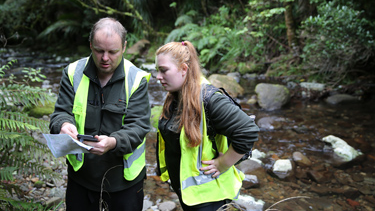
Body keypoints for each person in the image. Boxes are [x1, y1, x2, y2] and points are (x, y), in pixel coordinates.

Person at [49, 17, 151, 211]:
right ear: (90, 45)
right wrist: (64, 125)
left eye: (112, 52)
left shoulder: (136, 79)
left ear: (124, 47)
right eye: (99, 50)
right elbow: (60, 113)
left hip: (124, 183)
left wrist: (112, 142)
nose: (105, 58)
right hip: (81, 179)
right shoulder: (72, 72)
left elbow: (138, 127)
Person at [155, 41, 259, 211]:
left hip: (210, 198)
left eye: (164, 70)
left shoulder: (210, 99)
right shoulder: (176, 96)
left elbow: (248, 131)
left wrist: (223, 163)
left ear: (184, 69)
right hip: (192, 195)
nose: (158, 76)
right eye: (157, 70)